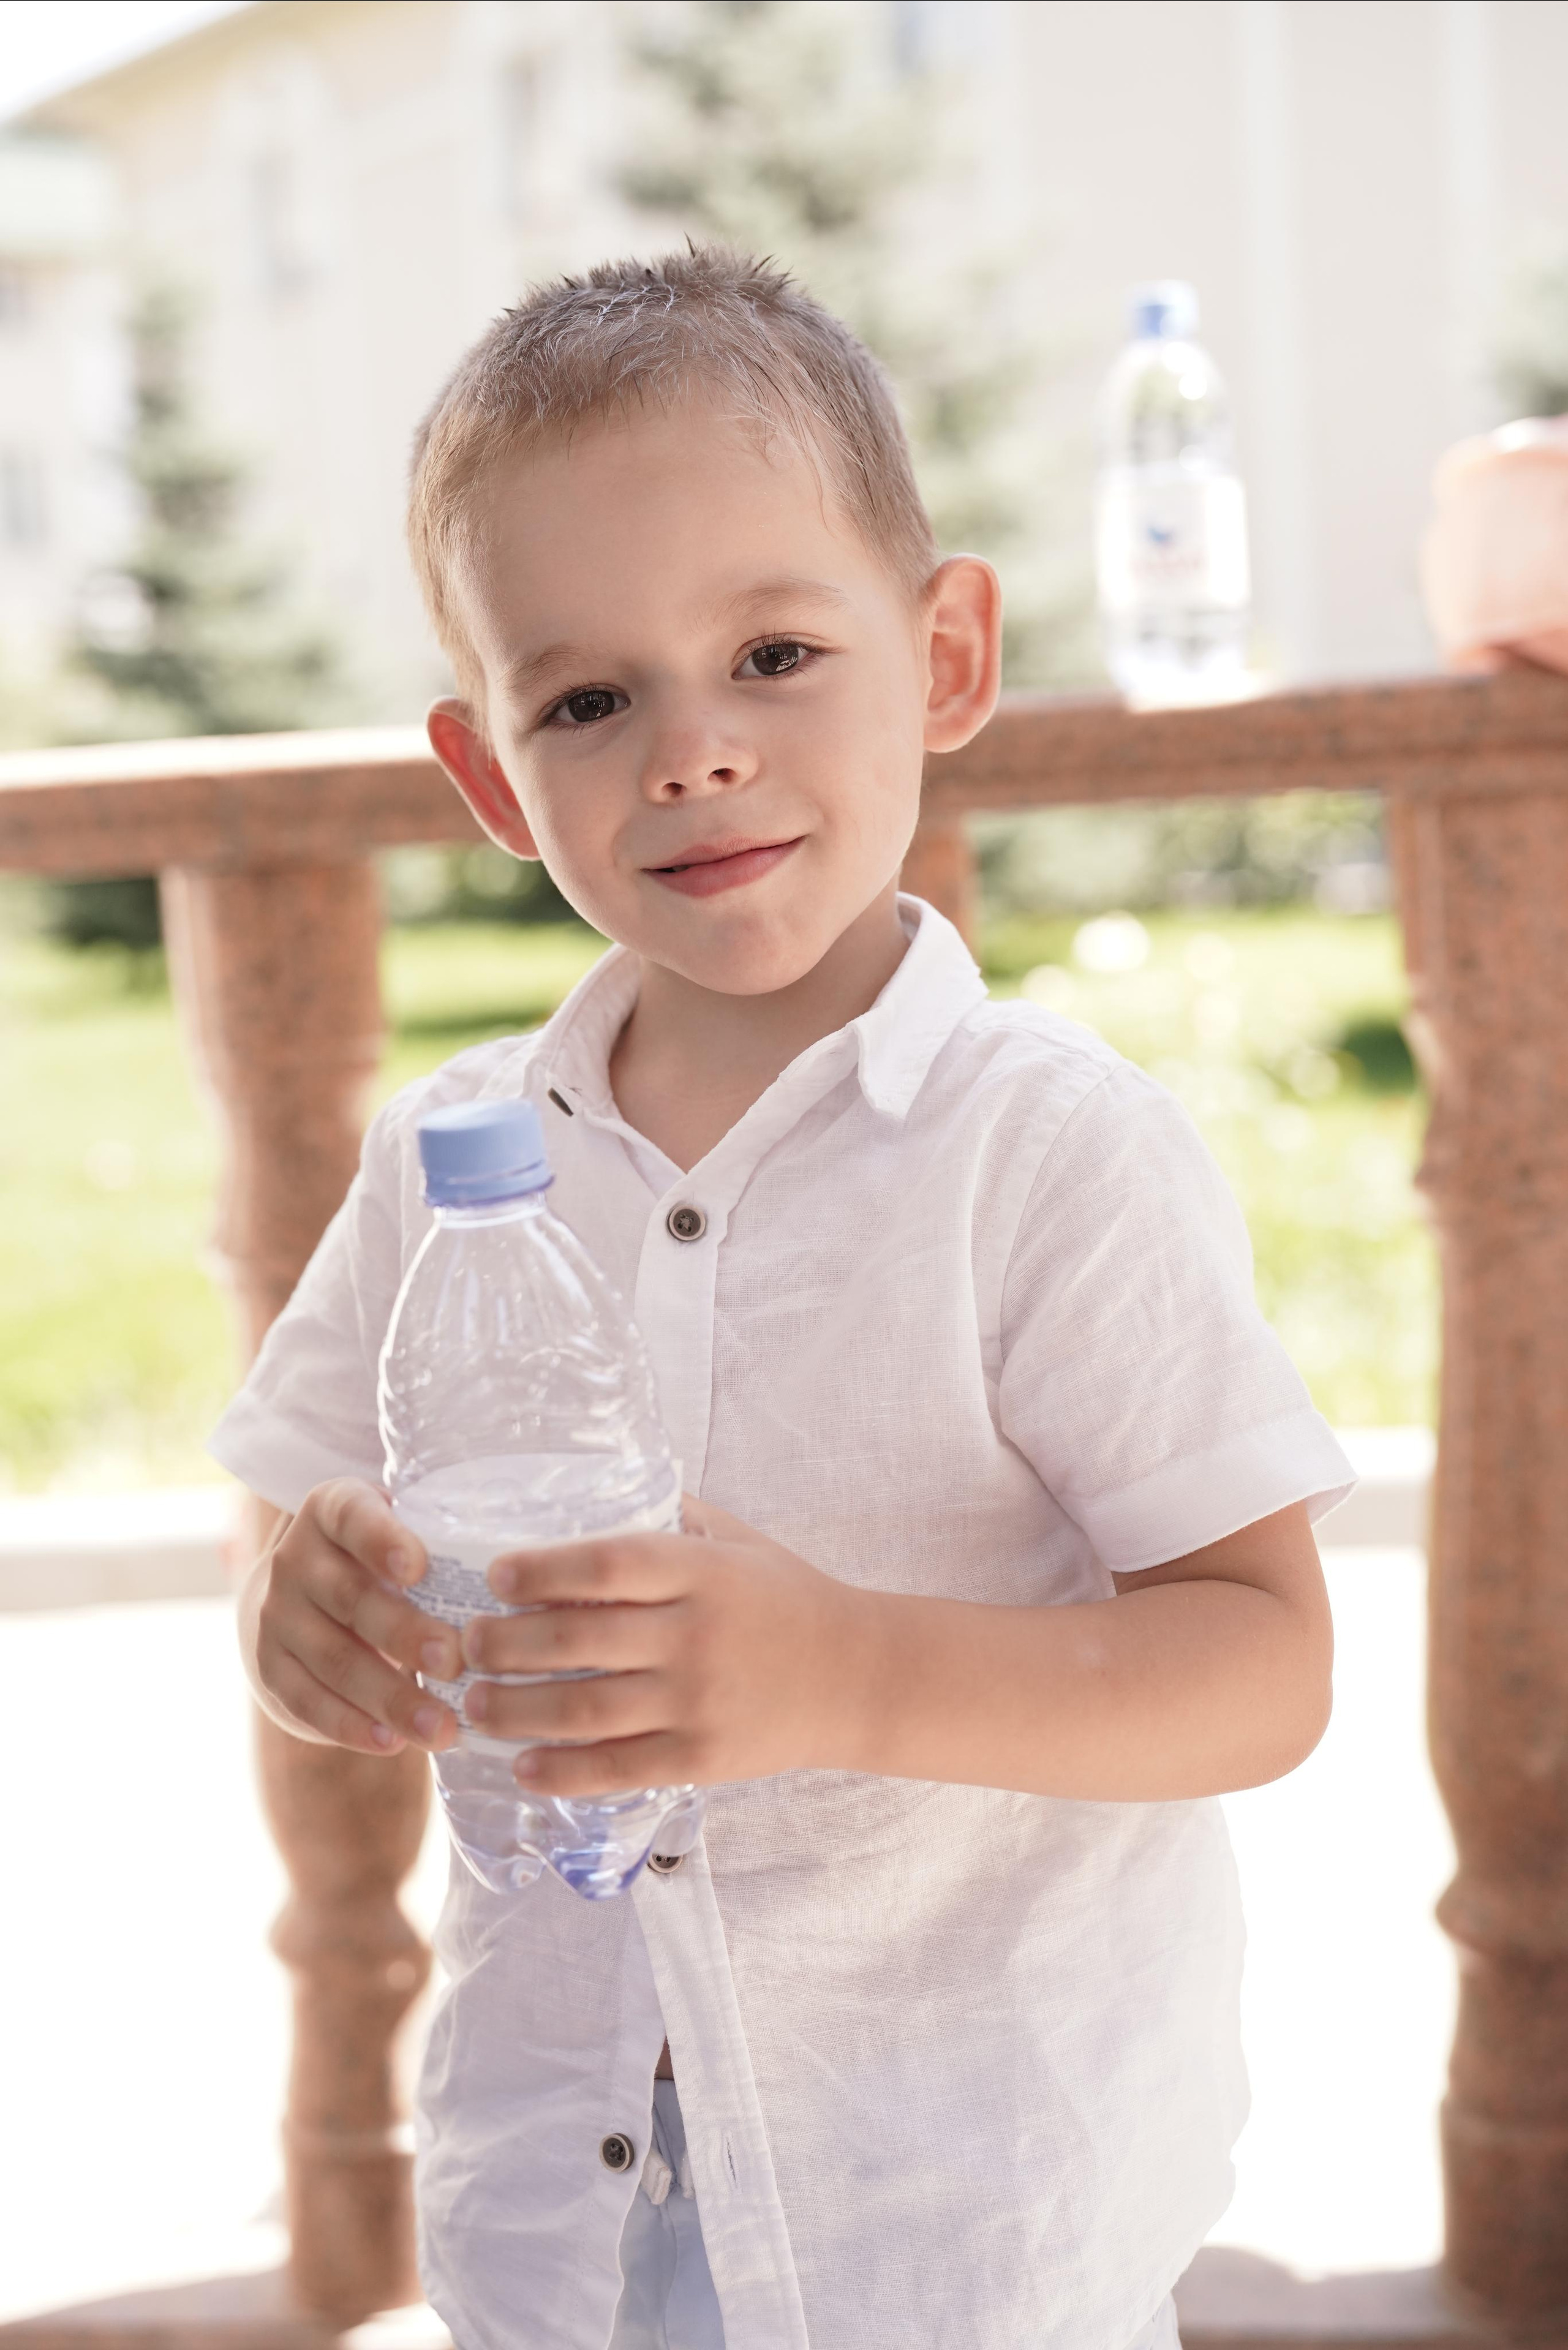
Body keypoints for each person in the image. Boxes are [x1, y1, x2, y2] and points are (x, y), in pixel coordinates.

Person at [214, 247, 1354, 2350]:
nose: (693, 753)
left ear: (941, 657)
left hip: (957, 2218)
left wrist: (848, 1678)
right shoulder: (459, 1159)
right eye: (590, 700)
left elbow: (1262, 1668)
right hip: (561, 2220)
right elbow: (297, 1532)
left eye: (770, 651)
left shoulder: (1045, 1152)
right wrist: (308, 1619)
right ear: (490, 781)